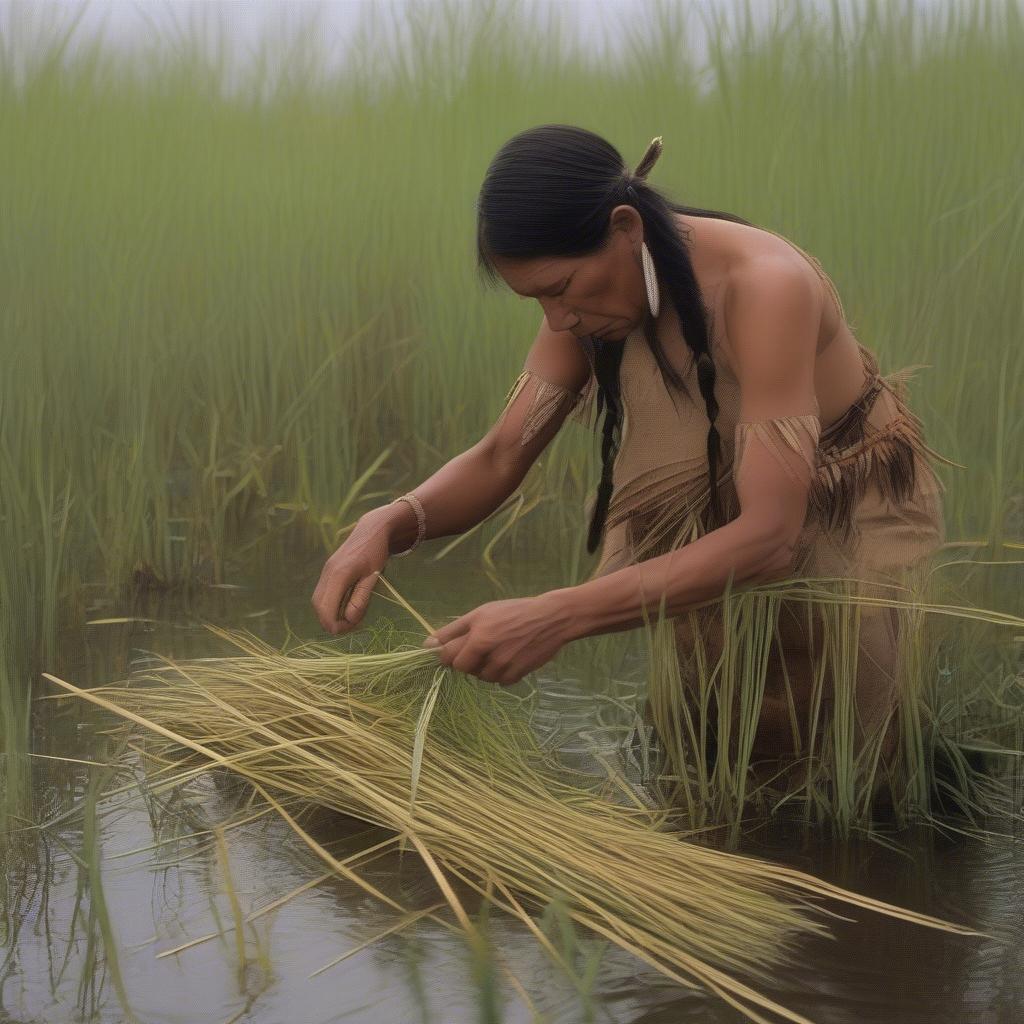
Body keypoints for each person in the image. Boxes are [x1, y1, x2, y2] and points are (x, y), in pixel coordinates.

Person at [312, 124, 946, 794]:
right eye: (539, 300)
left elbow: (769, 538)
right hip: (716, 523)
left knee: (851, 763)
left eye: (561, 289)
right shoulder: (597, 299)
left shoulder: (765, 287)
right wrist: (389, 521)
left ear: (625, 227)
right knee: (710, 747)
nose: (557, 322)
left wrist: (558, 613)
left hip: (834, 517)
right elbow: (502, 455)